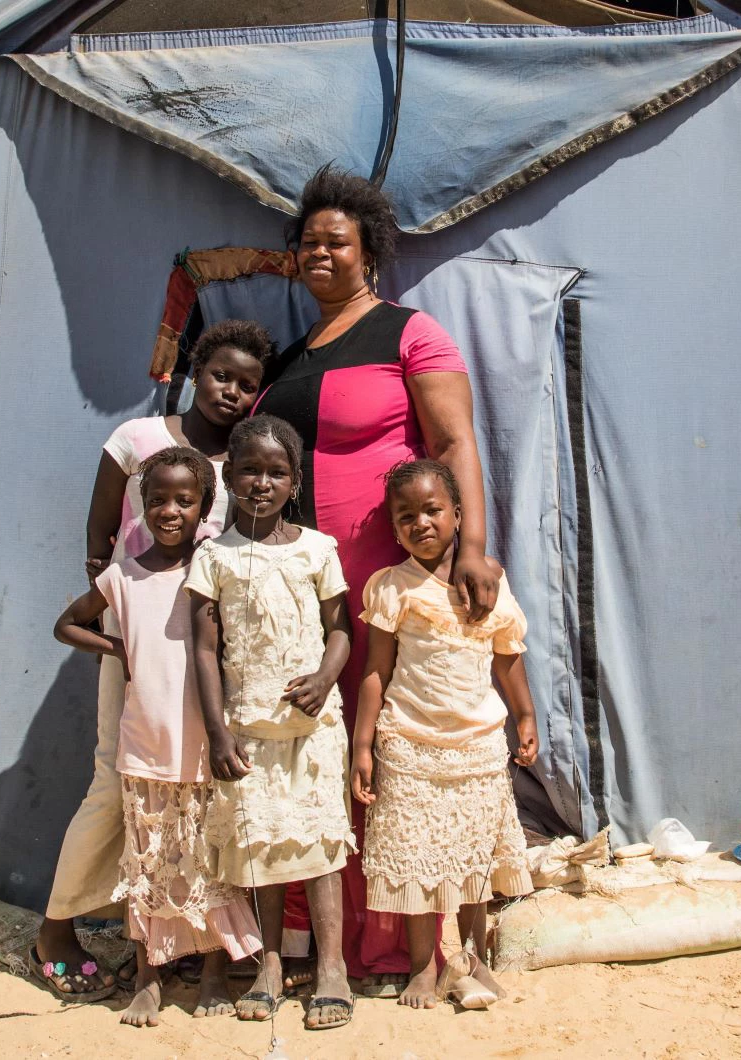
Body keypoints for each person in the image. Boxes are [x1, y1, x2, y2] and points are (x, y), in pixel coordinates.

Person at [255, 165, 501, 991]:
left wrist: (471, 548)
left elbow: (455, 441)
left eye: (337, 241)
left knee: (384, 750)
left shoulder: (410, 333)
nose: (319, 252)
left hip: (382, 584)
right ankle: (309, 938)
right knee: (310, 747)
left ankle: (397, 945)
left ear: (368, 255)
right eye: (307, 242)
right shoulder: (287, 357)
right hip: (298, 591)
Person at [33, 321, 271, 1001]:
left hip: (204, 646)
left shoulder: (245, 461)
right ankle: (54, 927)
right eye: (222, 375)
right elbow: (99, 535)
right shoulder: (137, 441)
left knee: (198, 789)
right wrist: (115, 633)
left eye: (247, 385)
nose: (231, 392)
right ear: (196, 369)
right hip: (136, 633)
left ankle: (190, 936)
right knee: (115, 781)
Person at [186, 415, 357, 1031]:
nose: (262, 482)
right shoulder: (214, 557)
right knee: (259, 845)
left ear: (296, 482)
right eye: (250, 470)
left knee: (318, 845)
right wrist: (217, 731)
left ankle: (332, 967)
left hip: (312, 730)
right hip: (249, 726)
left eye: (277, 472)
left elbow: (342, 630)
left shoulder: (318, 549)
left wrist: (324, 677)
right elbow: (204, 649)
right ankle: (267, 968)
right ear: (228, 476)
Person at [350, 460, 537, 1009]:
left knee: (474, 864)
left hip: (476, 747)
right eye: (406, 516)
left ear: (458, 514)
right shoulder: (391, 588)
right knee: (415, 863)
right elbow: (375, 671)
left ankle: (472, 961)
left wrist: (525, 716)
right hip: (409, 744)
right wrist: (362, 746)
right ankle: (422, 966)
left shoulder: (487, 585)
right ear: (394, 526)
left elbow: (508, 656)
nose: (421, 523)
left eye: (433, 510)